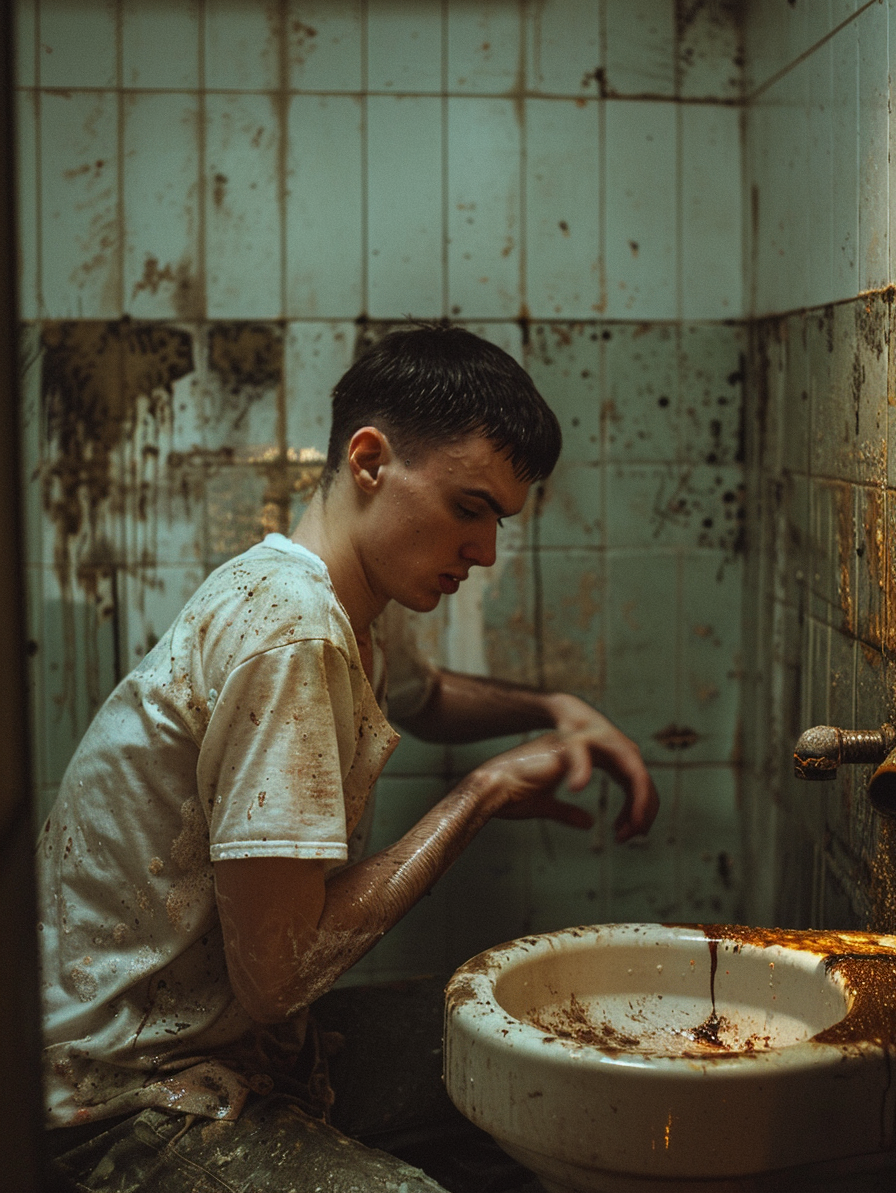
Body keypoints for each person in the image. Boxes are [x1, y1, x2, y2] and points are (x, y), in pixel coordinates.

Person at [39, 324, 659, 1192]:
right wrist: (480, 794)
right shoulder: (290, 629)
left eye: (499, 521)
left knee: (548, 1051)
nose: (485, 552)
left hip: (231, 1047)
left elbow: (424, 695)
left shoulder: (333, 601)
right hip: (121, 1096)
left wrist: (551, 708)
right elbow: (278, 975)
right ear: (370, 461)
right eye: (468, 508)